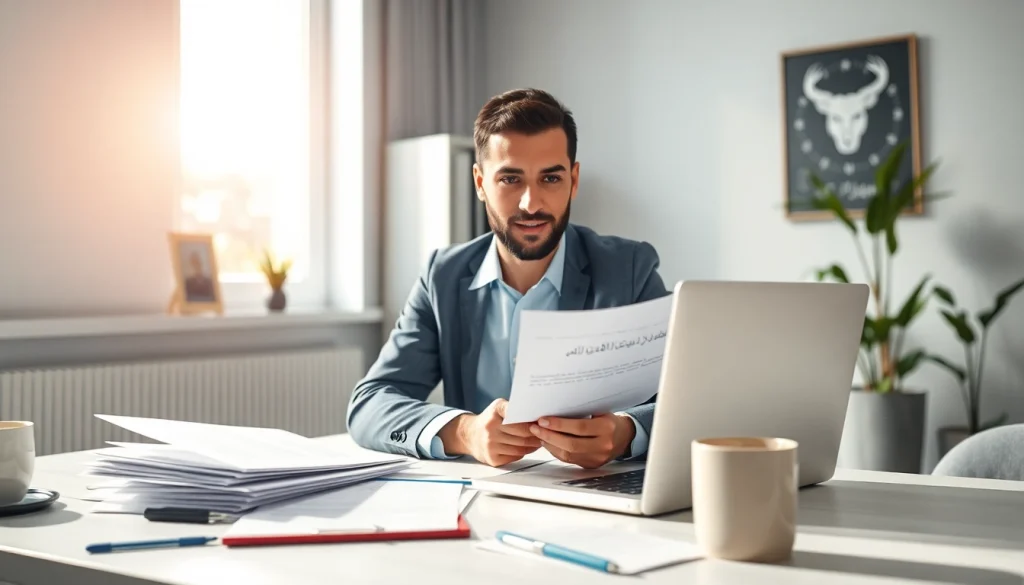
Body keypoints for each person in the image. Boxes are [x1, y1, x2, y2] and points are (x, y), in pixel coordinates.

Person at [347, 88, 669, 469]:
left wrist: (625, 433)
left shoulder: (629, 269)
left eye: (550, 179)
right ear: (481, 183)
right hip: (480, 499)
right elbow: (370, 402)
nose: (531, 203)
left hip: (596, 498)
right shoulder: (443, 277)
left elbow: (683, 399)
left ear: (574, 180)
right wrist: (464, 432)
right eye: (511, 179)